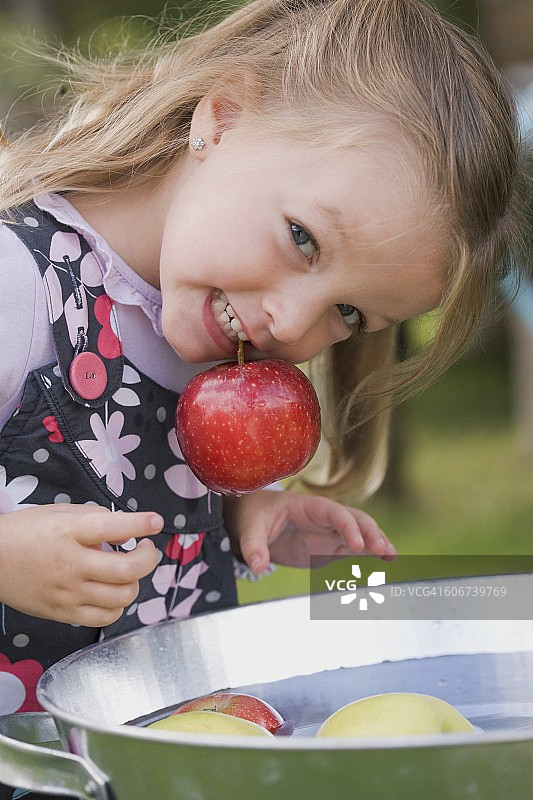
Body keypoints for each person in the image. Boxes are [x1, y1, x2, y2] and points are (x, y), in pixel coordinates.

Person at [0, 0, 528, 774]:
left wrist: (249, 513)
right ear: (223, 118)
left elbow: (150, 488)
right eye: (302, 238)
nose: (289, 322)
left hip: (155, 771)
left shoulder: (228, 358)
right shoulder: (23, 289)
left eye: (348, 313)